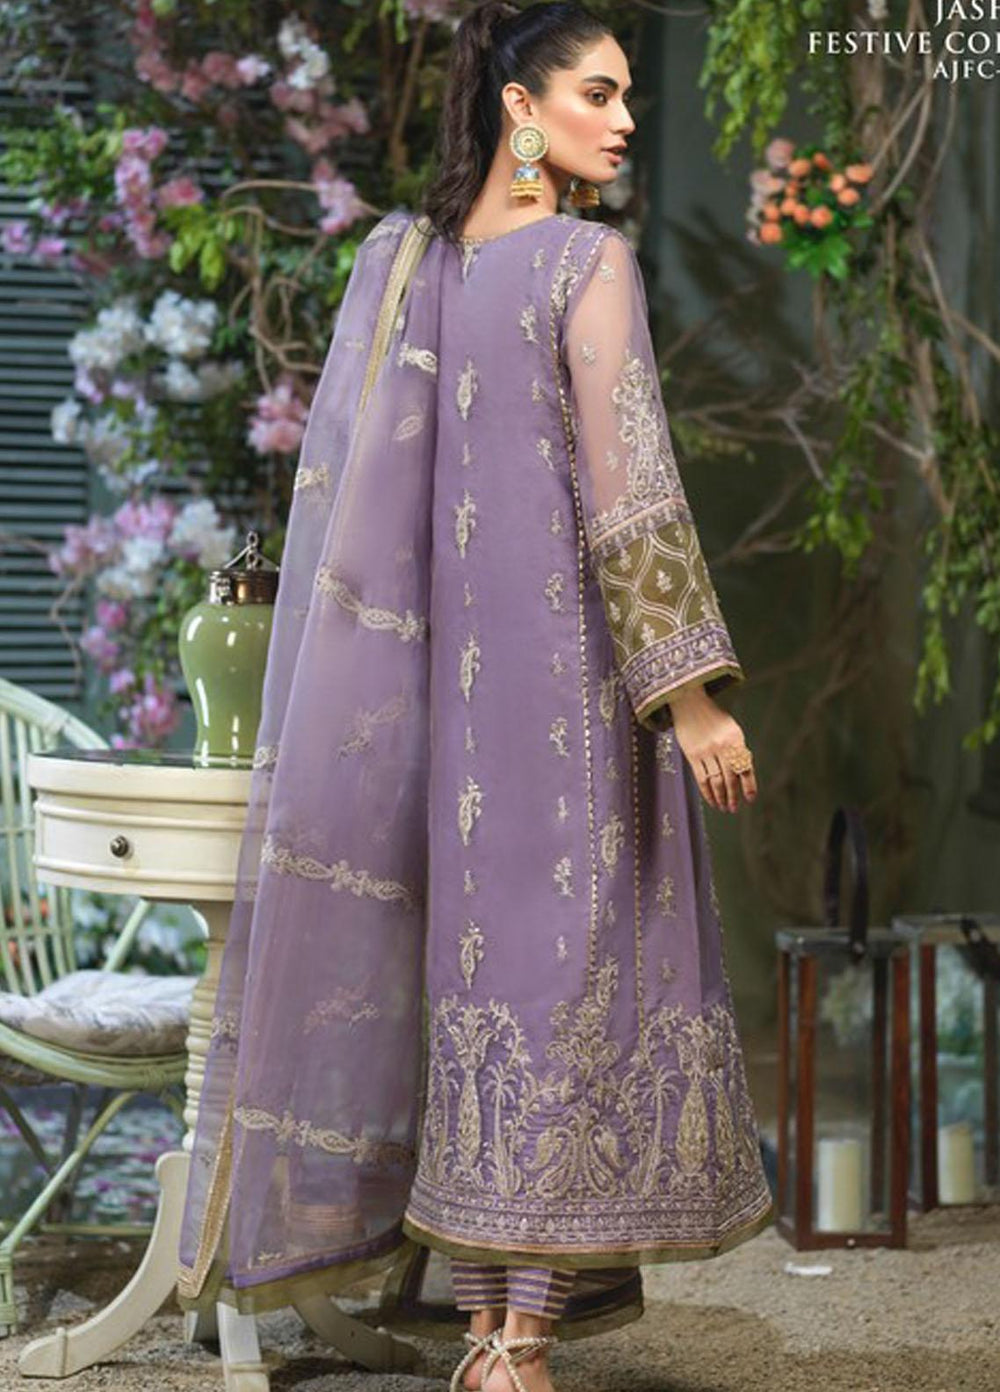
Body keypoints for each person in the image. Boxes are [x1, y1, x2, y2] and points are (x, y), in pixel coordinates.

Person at [177, 4, 774, 1391]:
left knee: (496, 988)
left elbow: (372, 526)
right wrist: (692, 698)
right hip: (579, 695)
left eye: (624, 96)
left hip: (457, 716)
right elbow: (632, 489)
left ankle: (499, 1333)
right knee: (572, 988)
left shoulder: (418, 267)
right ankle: (518, 1344)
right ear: (521, 106)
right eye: (597, 93)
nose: (623, 120)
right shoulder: (586, 260)